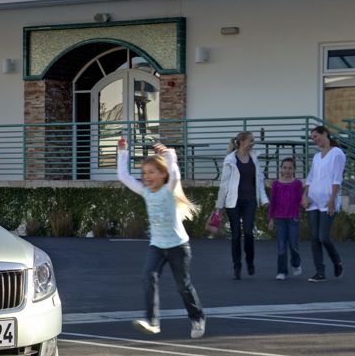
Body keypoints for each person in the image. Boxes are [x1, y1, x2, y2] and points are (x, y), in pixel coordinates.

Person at [117, 138, 206, 338]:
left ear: (162, 174)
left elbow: (175, 173)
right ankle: (152, 322)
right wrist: (122, 152)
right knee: (148, 276)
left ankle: (197, 318)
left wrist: (167, 154)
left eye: (151, 172)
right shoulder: (146, 192)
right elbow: (123, 176)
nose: (146, 177)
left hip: (178, 246)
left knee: (183, 285)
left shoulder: (169, 189)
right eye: (144, 173)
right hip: (157, 246)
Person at [215, 131, 269, 279]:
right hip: (233, 203)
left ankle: (250, 262)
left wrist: (264, 200)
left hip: (250, 200)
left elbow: (259, 181)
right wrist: (219, 206)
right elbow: (224, 185)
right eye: (251, 140)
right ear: (242, 142)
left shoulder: (254, 158)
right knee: (236, 235)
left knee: (249, 233)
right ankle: (237, 267)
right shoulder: (230, 160)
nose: (253, 143)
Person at [302, 126, 346, 282]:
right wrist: (304, 196)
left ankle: (337, 261)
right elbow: (310, 178)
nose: (315, 140)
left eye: (316, 136)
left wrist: (333, 199)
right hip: (314, 201)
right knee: (314, 238)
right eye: (313, 138)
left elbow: (336, 179)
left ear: (325, 133)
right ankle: (320, 272)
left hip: (328, 201)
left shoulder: (337, 153)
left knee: (323, 237)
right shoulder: (316, 157)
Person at [267, 157, 303, 280]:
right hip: (280, 219)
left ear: (294, 170)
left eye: (290, 168)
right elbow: (273, 202)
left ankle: (296, 263)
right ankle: (282, 271)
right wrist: (271, 218)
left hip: (293, 218)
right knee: (281, 246)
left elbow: (300, 200)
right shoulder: (276, 184)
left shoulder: (297, 184)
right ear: (281, 169)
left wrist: (303, 208)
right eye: (285, 168)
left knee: (293, 244)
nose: (287, 170)